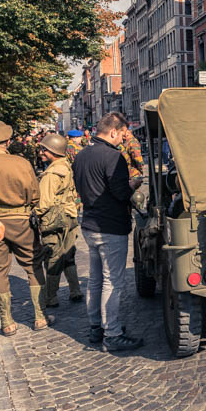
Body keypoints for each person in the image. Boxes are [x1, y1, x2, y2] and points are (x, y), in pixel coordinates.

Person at [0, 120, 52, 335]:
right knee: (33, 265)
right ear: (8, 141)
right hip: (21, 220)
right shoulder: (21, 163)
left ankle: (6, 321)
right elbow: (34, 194)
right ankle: (40, 317)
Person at [73, 112, 143, 352]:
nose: (124, 139)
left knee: (95, 279)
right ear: (113, 132)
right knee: (112, 281)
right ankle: (112, 333)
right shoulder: (114, 157)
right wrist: (134, 184)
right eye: (123, 134)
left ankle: (96, 327)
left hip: (90, 224)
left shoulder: (81, 156)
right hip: (110, 226)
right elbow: (121, 193)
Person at [36, 134, 82, 307]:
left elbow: (44, 203)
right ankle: (75, 289)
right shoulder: (66, 166)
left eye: (44, 150)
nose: (41, 153)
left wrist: (34, 216)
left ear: (53, 151)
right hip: (70, 215)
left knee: (53, 256)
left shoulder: (51, 174)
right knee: (69, 253)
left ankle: (51, 297)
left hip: (54, 219)